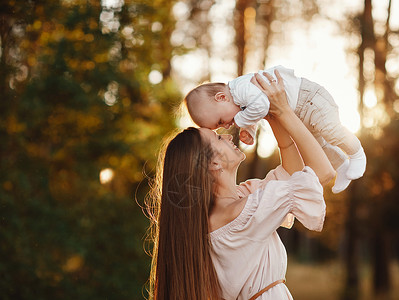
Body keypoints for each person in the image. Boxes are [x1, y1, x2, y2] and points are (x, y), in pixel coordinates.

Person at [146, 71, 335, 300]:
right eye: (217, 138)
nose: (226, 136)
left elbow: (292, 175)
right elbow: (322, 173)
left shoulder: (235, 205)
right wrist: (284, 110)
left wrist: (271, 114)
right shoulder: (241, 213)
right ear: (214, 163)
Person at [184, 65, 366, 193]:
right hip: (298, 111)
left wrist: (241, 121)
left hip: (309, 99)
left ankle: (357, 153)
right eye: (220, 127)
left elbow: (261, 105)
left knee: (331, 132)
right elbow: (256, 109)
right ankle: (342, 165)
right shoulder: (239, 100)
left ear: (221, 97)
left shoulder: (240, 89)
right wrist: (250, 129)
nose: (226, 126)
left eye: (221, 120)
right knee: (319, 145)